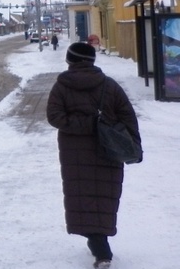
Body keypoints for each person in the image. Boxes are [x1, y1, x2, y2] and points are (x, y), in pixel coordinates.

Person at [46, 42, 141, 269]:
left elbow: (54, 116)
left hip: (73, 152)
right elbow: (128, 117)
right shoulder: (110, 86)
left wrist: (82, 123)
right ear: (92, 61)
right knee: (104, 196)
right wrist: (135, 146)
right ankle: (100, 246)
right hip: (108, 149)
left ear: (69, 60)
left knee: (82, 195)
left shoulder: (61, 87)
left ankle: (101, 250)